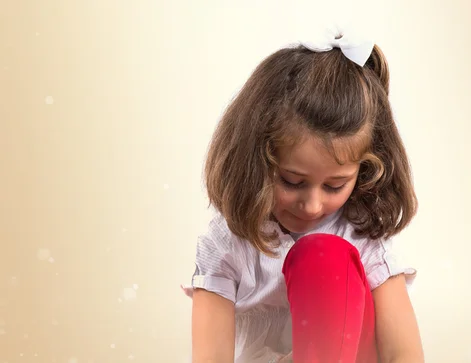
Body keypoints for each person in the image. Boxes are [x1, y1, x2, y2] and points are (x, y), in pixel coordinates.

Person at [181, 22, 424, 363]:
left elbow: (404, 355)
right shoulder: (226, 244)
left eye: (335, 186)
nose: (312, 205)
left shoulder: (361, 235)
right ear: (258, 160)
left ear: (364, 171)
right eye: (292, 181)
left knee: (323, 255)